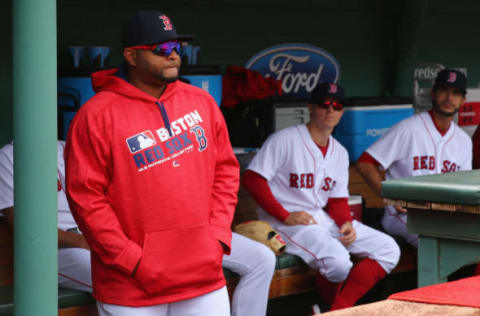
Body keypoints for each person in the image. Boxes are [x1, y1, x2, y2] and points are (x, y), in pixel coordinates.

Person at [65, 10, 239, 316]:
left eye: (177, 48)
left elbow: (225, 170)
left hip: (203, 277)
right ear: (131, 55)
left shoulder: (202, 102)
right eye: (162, 49)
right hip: (132, 286)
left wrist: (217, 235)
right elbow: (86, 199)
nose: (173, 56)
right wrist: (131, 259)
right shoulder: (95, 115)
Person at [242, 82, 400, 311]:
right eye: (324, 104)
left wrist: (346, 222)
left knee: (388, 249)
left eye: (336, 106)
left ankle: (335, 310)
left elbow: (336, 199)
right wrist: (284, 215)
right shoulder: (285, 139)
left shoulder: (339, 151)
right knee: (338, 263)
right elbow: (253, 179)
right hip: (283, 222)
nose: (330, 110)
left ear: (342, 112)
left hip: (320, 218)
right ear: (311, 107)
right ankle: (328, 308)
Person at [355, 69, 472, 248]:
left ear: (463, 100)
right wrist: (390, 197)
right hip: (405, 215)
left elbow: (464, 188)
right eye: (444, 90)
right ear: (433, 94)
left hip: (444, 216)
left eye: (456, 93)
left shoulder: (463, 140)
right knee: (436, 243)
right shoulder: (408, 129)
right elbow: (365, 162)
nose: (449, 98)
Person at [0, 141, 92, 292]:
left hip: (89, 241)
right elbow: (28, 233)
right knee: (118, 279)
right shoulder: (7, 158)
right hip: (51, 252)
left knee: (137, 271)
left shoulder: (67, 147)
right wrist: (83, 241)